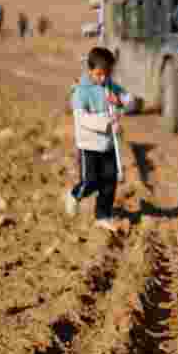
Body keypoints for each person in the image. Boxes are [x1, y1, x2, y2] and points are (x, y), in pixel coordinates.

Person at [65, 47, 136, 231]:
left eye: (107, 74)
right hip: (88, 145)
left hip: (108, 144)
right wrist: (106, 123)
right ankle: (74, 195)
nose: (103, 78)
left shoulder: (110, 85)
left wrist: (119, 101)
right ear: (89, 70)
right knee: (90, 181)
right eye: (98, 74)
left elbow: (129, 100)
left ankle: (102, 215)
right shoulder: (81, 91)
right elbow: (81, 119)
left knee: (109, 181)